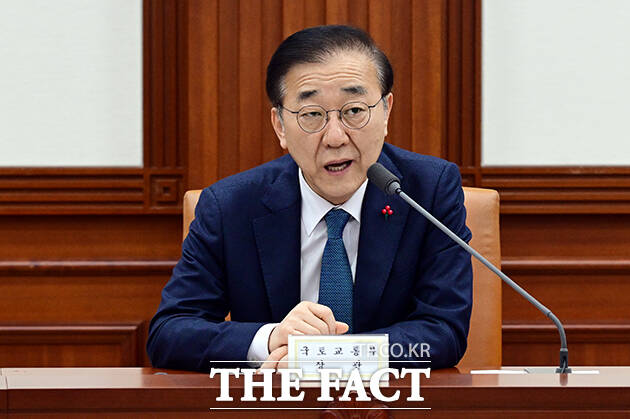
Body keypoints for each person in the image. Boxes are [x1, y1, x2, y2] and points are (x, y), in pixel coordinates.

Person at [147, 25, 472, 372]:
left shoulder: (428, 192)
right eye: (312, 115)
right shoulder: (230, 206)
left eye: (354, 110)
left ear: (386, 111)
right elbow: (170, 333)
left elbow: (443, 333)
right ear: (280, 126)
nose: (335, 137)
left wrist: (323, 359)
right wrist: (271, 340)